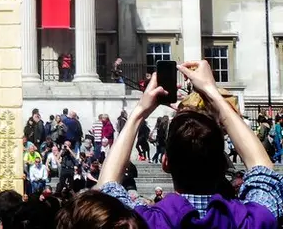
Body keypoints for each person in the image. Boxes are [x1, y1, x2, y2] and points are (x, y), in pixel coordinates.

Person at [100, 60, 283, 227]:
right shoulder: (250, 222)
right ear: (222, 164)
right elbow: (263, 170)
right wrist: (213, 93)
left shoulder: (141, 223)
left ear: (165, 162)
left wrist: (139, 112)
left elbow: (106, 187)